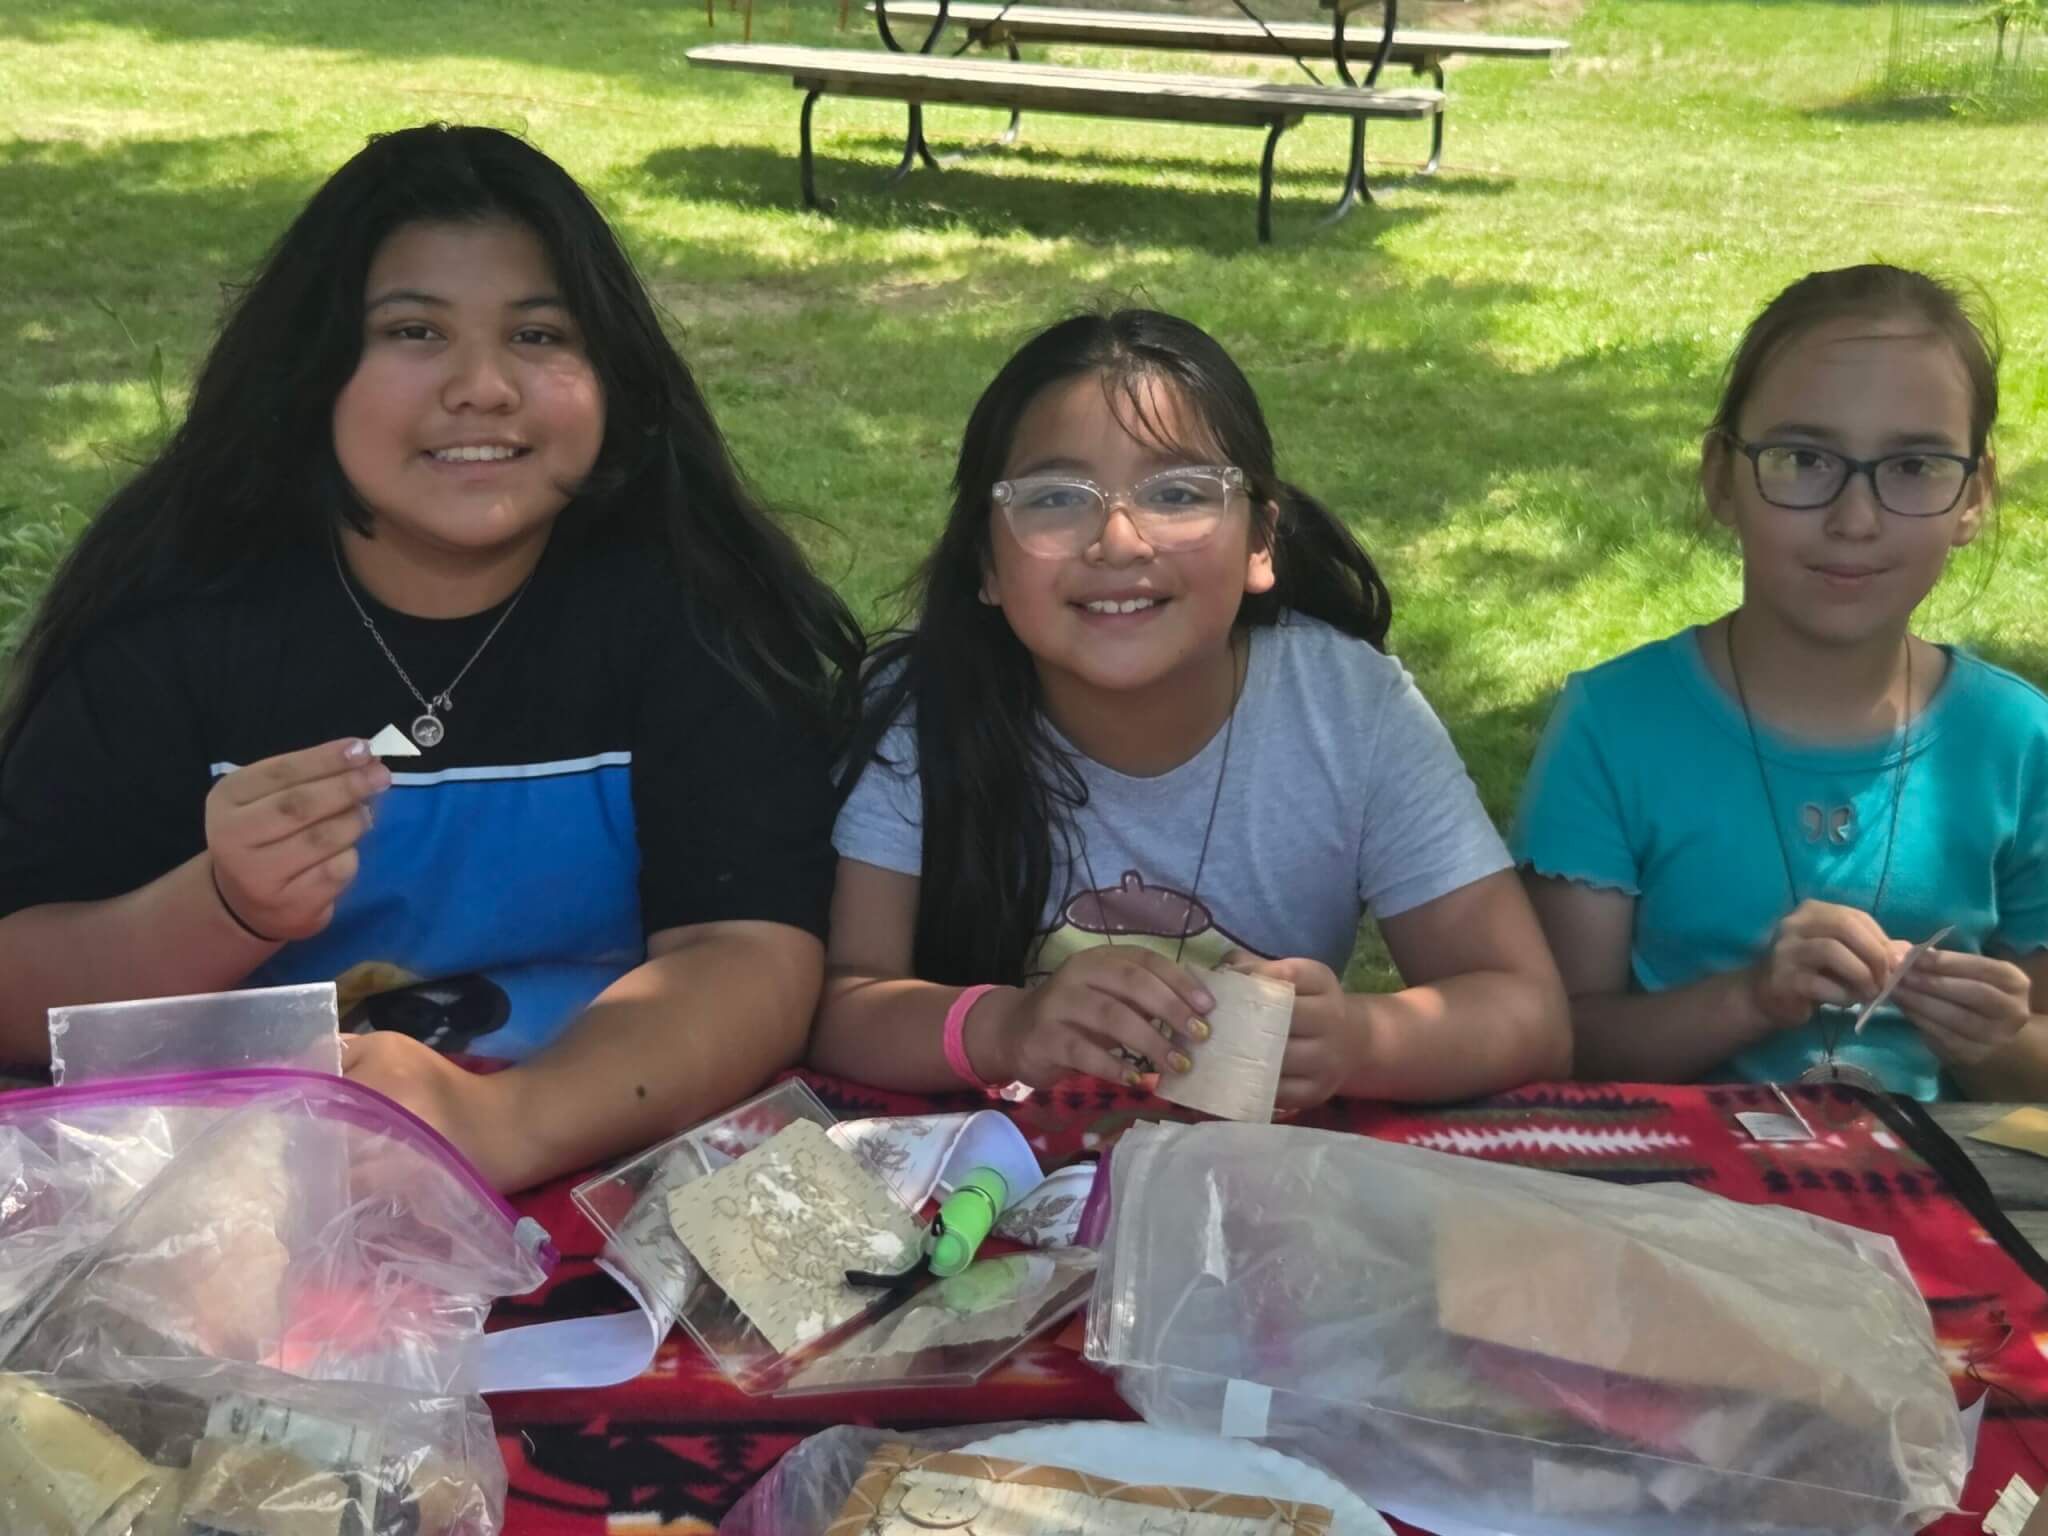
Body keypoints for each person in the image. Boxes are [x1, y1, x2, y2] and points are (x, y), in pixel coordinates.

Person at [0, 124, 861, 1189]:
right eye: (414, 331)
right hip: (225, 1192)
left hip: (594, 1162)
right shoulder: (178, 612)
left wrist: (504, 1124)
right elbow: (20, 989)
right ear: (310, 372)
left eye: (540, 336)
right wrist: (224, 907)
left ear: (614, 376)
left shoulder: (690, 605)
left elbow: (751, 957)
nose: (482, 387)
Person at [814, 308, 1569, 1106]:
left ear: (1260, 544)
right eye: (1055, 498)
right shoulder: (918, 716)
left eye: (1177, 493)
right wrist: (1008, 1027)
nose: (1118, 539)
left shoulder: (1350, 713)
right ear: (986, 563)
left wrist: (1360, 1041)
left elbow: (1530, 1013)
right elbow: (842, 1005)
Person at [1513, 264, 2048, 1100]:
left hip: (1937, 1207)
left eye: (1913, 466)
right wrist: (1752, 998)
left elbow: (2036, 1075)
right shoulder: (1616, 725)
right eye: (1804, 458)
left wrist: (1992, 1043)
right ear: (1722, 475)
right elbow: (1555, 1044)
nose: (1855, 518)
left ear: (1973, 496)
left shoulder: (2017, 742)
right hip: (1671, 1200)